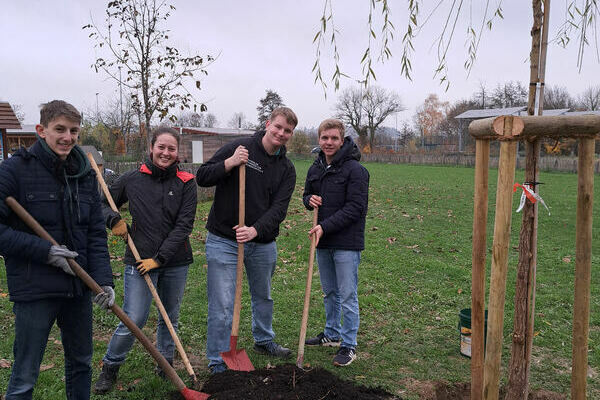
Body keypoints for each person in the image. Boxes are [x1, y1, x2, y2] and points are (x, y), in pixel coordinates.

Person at [0, 100, 115, 400]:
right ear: (41, 130)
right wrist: (44, 251)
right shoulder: (15, 171)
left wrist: (103, 280)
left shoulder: (84, 173)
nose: (68, 137)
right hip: (35, 287)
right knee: (26, 372)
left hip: (78, 287)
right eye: (60, 129)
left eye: (74, 131)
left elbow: (94, 233)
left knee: (81, 364)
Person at [93, 127, 197, 394]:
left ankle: (165, 364)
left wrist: (160, 259)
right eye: (161, 147)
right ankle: (110, 366)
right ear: (151, 148)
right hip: (138, 260)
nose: (165, 152)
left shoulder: (186, 182)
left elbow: (184, 226)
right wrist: (113, 220)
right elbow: (101, 203)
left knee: (168, 316)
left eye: (171, 148)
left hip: (175, 260)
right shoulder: (131, 179)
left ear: (177, 152)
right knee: (134, 317)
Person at [196, 107, 297, 374]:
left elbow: (279, 210)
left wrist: (255, 230)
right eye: (278, 127)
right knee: (222, 303)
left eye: (287, 131)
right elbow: (202, 176)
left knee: (263, 296)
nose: (281, 133)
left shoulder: (287, 169)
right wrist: (229, 163)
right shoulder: (240, 147)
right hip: (224, 240)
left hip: (262, 243)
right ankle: (219, 359)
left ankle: (263, 340)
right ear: (267, 124)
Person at [302, 118, 369, 367]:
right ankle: (331, 334)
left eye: (334, 138)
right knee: (330, 291)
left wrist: (324, 226)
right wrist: (309, 201)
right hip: (323, 240)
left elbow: (355, 208)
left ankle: (349, 344)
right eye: (324, 138)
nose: (329, 142)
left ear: (342, 141)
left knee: (348, 295)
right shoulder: (316, 168)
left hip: (346, 243)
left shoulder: (356, 171)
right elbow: (306, 195)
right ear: (319, 140)